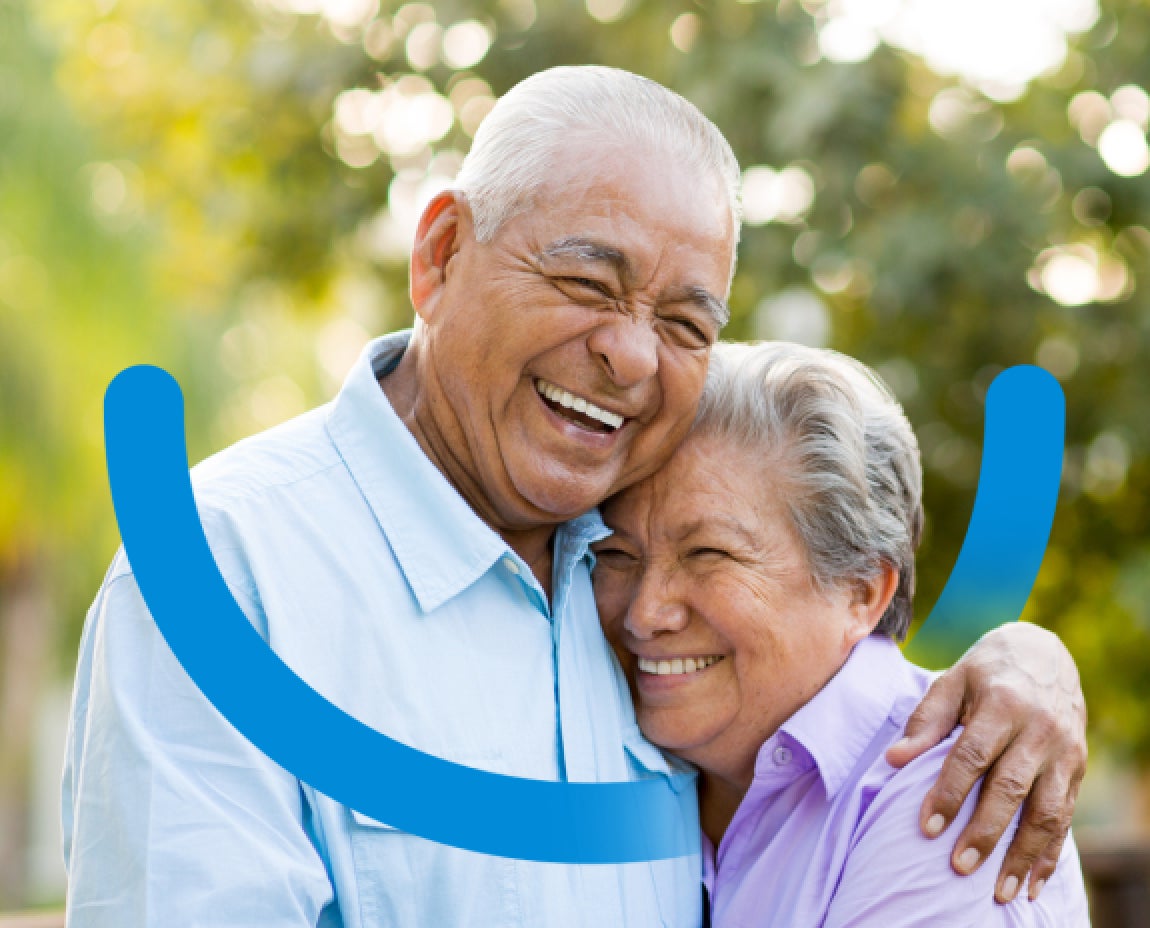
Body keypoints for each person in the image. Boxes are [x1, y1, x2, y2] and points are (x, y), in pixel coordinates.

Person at [63, 67, 1087, 927]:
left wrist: (1022, 661)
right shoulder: (229, 570)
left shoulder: (631, 578)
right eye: (590, 283)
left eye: (687, 322)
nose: (631, 354)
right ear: (441, 254)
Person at [594, 341, 1091, 925]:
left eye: (708, 553)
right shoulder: (618, 740)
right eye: (617, 553)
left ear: (860, 591)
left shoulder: (947, 790)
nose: (645, 613)